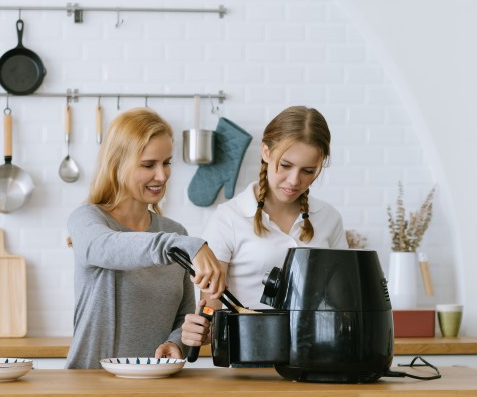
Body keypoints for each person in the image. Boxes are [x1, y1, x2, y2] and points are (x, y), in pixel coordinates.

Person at [66, 108, 225, 369]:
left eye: (167, 163)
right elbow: (106, 247)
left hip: (155, 387)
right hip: (92, 386)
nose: (162, 176)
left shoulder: (175, 232)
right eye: (148, 165)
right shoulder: (87, 219)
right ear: (117, 164)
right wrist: (188, 246)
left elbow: (183, 317)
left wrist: (177, 342)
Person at [202, 106, 348, 310]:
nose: (294, 181)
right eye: (286, 165)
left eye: (308, 171)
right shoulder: (228, 218)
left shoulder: (329, 218)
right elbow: (210, 309)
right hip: (247, 340)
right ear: (266, 152)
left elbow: (342, 297)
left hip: (314, 342)